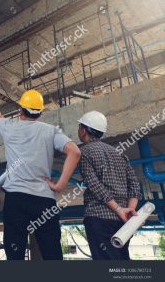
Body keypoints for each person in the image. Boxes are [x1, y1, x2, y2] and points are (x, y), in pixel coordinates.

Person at [0, 89, 81, 260]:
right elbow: (74, 152)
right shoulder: (51, 130)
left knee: (14, 254)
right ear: (39, 113)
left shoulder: (9, 127)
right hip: (44, 200)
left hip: (15, 200)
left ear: (20, 110)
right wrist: (60, 185)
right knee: (52, 253)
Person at [45, 110, 142, 260]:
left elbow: (94, 185)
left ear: (83, 131)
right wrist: (128, 211)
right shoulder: (119, 154)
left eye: (79, 127)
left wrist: (118, 209)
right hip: (124, 223)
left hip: (99, 218)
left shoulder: (84, 151)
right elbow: (135, 186)